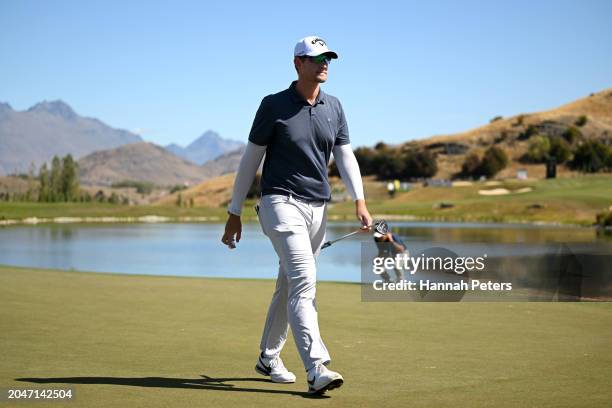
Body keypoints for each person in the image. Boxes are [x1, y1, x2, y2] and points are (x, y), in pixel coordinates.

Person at [221, 35, 372, 395]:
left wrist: (360, 200)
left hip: (318, 207)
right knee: (304, 279)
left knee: (289, 282)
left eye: (328, 59)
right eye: (317, 59)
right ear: (297, 64)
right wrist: (234, 211)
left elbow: (345, 156)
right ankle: (316, 366)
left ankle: (268, 356)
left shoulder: (334, 106)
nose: (324, 65)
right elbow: (250, 160)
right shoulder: (273, 105)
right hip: (279, 202)